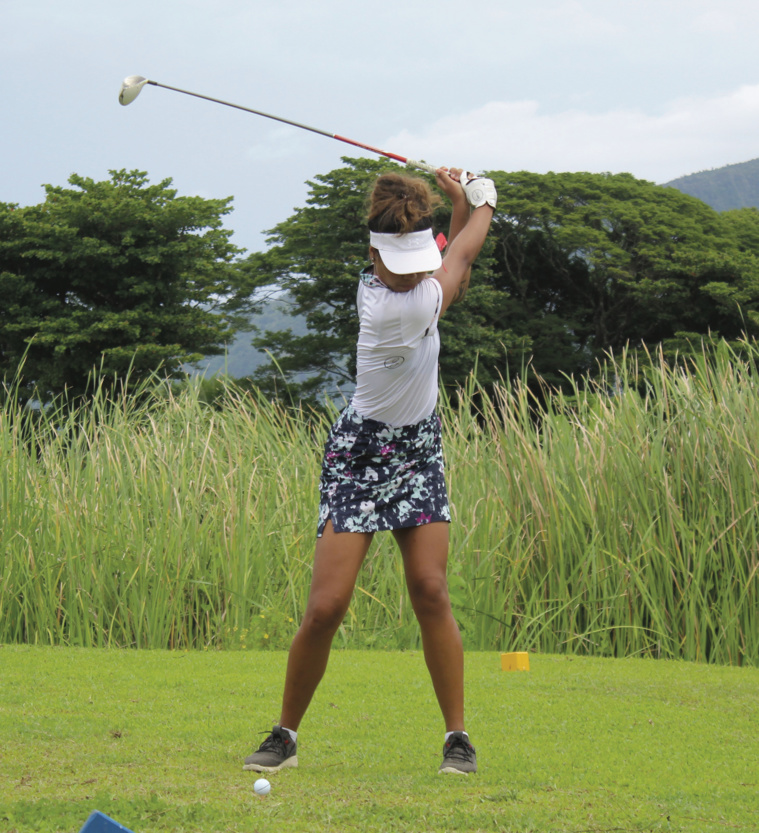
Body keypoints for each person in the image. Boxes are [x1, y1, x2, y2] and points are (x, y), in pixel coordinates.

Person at [243, 165, 497, 775]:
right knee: (327, 606)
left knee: (431, 590)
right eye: (400, 265)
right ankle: (285, 734)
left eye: (417, 262)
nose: (410, 274)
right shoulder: (390, 307)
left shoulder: (411, 283)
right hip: (360, 455)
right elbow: (459, 258)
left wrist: (458, 205)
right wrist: (485, 198)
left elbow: (451, 261)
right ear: (373, 256)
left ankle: (457, 738)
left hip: (418, 449)